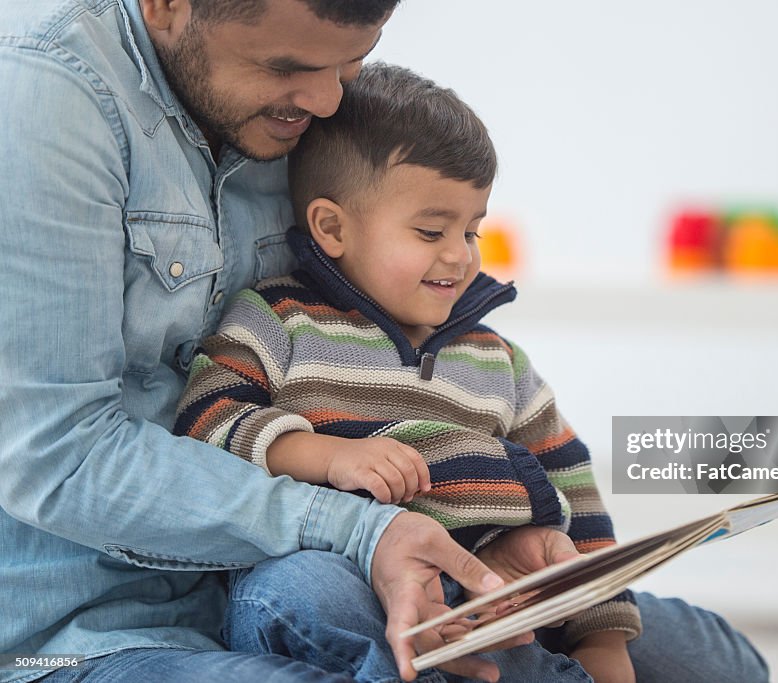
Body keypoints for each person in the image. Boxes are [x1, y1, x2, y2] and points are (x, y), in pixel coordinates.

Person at [173, 63, 770, 683]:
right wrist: (324, 455)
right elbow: (204, 420)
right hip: (349, 580)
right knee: (299, 592)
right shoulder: (278, 319)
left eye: (472, 229)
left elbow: (577, 493)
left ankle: (525, 661)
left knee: (717, 656)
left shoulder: (496, 360)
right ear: (332, 228)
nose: (459, 254)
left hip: (495, 592)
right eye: (432, 231)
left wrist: (600, 636)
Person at [0, 2, 537, 682]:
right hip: (70, 635)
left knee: (682, 644)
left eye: (353, 60)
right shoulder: (41, 88)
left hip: (266, 589)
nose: (328, 99)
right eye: (287, 66)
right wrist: (359, 530)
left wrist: (490, 525)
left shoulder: (292, 109)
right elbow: (56, 455)